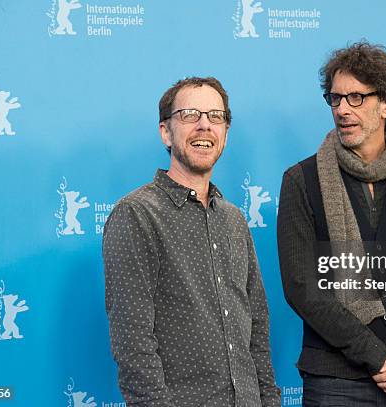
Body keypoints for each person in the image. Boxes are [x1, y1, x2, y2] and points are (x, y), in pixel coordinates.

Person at [277, 41, 386, 406]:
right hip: (336, 382)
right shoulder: (302, 180)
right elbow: (300, 286)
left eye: (356, 98)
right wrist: (379, 360)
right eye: (335, 98)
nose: (342, 109)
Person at [103, 77, 280, 407]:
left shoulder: (235, 220)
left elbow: (257, 329)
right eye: (189, 115)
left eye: (215, 117)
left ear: (225, 133)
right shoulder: (136, 215)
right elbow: (133, 342)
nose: (204, 126)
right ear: (166, 132)